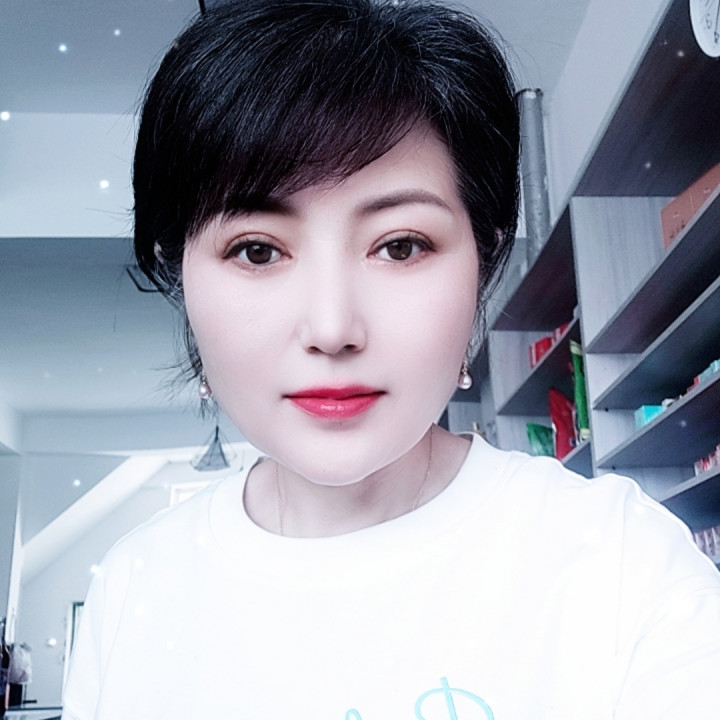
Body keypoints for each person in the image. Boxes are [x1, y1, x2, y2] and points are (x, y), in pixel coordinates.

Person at [62, 0, 720, 718]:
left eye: (400, 246)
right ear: (178, 272)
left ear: (484, 262)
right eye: (257, 250)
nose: (332, 328)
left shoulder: (621, 563)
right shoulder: (133, 588)